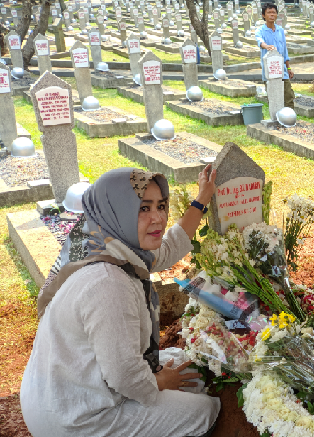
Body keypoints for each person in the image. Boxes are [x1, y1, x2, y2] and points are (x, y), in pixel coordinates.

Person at [20, 166, 221, 436]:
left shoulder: (101, 242)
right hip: (76, 417)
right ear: (116, 210)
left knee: (189, 367)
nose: (158, 218)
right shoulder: (108, 282)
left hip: (64, 388)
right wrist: (160, 381)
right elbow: (125, 375)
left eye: (160, 206)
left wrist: (202, 199)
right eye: (143, 208)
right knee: (203, 410)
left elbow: (170, 246)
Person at [256, 3, 294, 108]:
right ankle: (276, 121)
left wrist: (289, 67)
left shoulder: (280, 30)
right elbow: (260, 42)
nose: (272, 15)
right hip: (270, 71)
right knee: (273, 99)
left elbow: (284, 51)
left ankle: (289, 120)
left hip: (282, 71)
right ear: (263, 15)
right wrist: (266, 46)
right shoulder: (260, 30)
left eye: (274, 12)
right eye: (269, 12)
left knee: (289, 97)